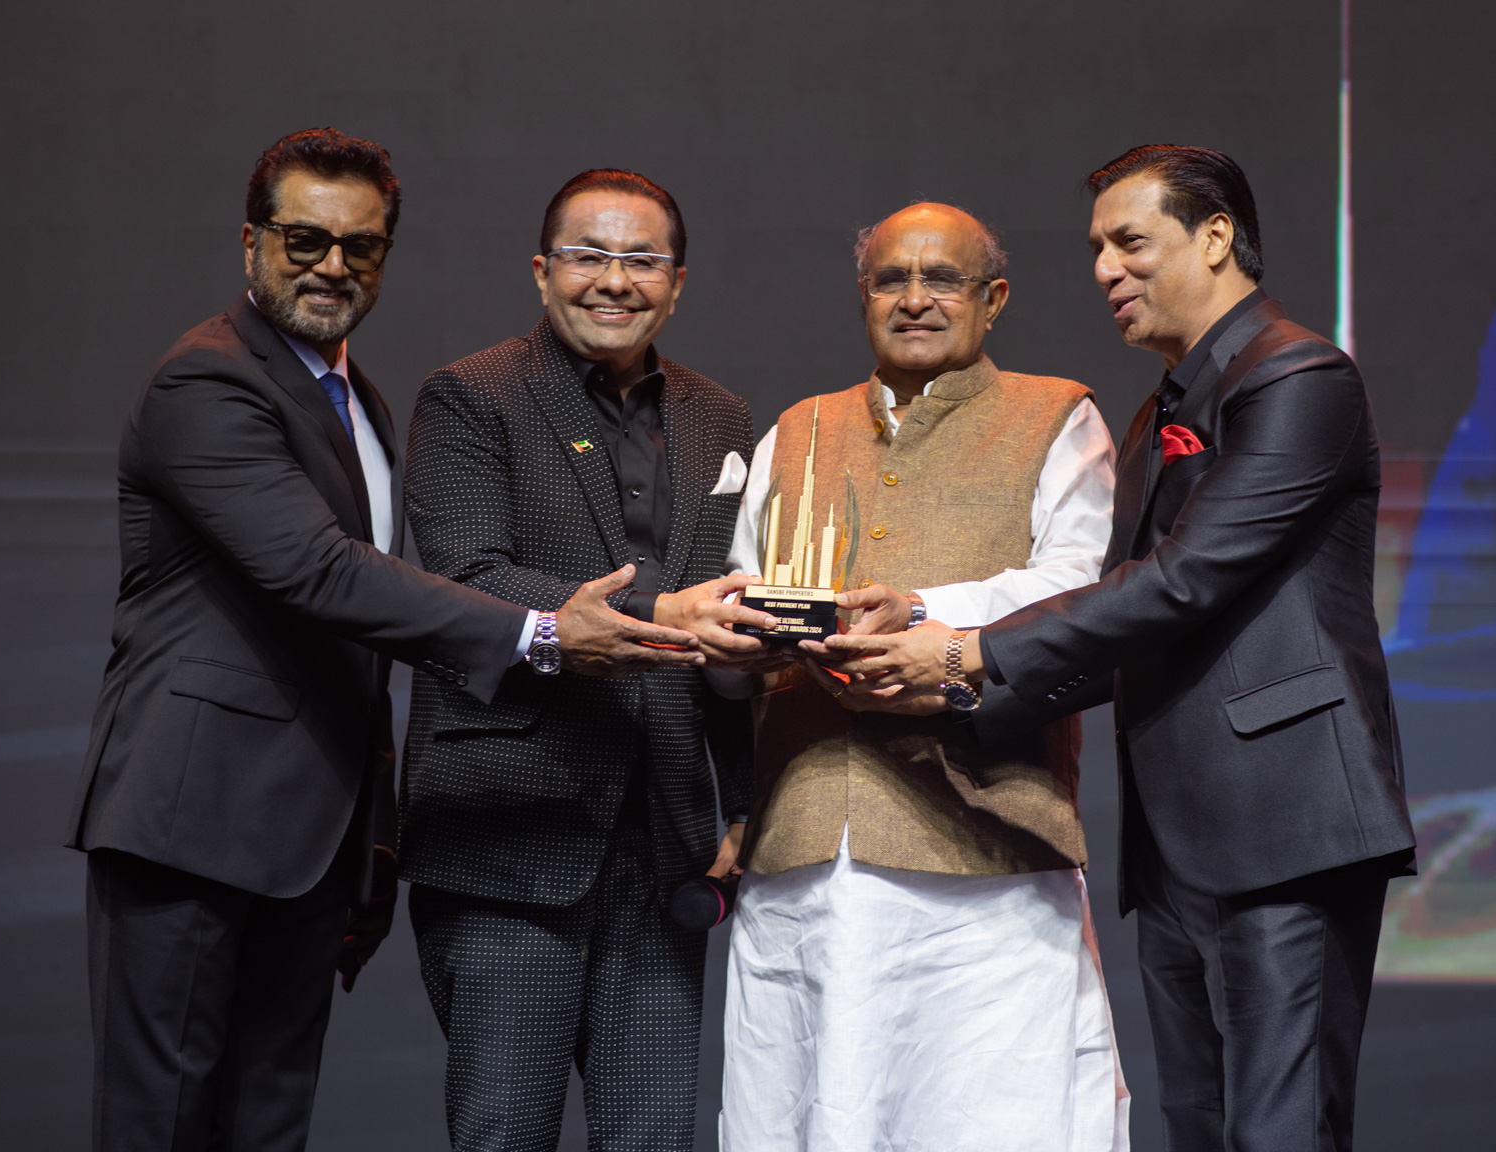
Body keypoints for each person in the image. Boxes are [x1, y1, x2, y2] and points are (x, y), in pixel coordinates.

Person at [66, 131, 702, 1152]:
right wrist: (541, 631)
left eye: (360, 246)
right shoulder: (207, 381)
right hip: (192, 817)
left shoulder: (352, 395)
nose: (333, 265)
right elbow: (319, 574)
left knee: (268, 1123)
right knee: (164, 1122)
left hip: (309, 838)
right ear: (250, 243)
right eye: (305, 240)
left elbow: (353, 650)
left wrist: (373, 835)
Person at [817, 147, 1417, 1151]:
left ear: (1215, 237)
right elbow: (1126, 624)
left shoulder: (1299, 376)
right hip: (1179, 837)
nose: (1104, 270)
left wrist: (965, 655)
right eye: (1096, 248)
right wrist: (939, 681)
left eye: (1129, 242)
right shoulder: (1161, 406)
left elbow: (1182, 582)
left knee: (1279, 1131)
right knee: (1198, 1126)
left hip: (1286, 825)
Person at [720, 202, 1127, 1152]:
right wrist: (747, 643)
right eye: (890, 280)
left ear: (994, 299)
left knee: (995, 1119)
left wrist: (920, 613)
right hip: (806, 853)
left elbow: (1079, 590)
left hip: (988, 852)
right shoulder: (799, 430)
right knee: (804, 1111)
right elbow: (747, 592)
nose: (914, 299)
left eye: (941, 278)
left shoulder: (1056, 416)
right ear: (863, 297)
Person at [399, 169, 769, 1152]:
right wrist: (659, 612)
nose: (614, 280)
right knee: (504, 1135)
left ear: (677, 282)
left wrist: (743, 799)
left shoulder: (722, 418)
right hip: (511, 833)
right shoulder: (470, 396)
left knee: (653, 1138)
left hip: (666, 840)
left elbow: (726, 619)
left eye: (641, 260)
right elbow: (466, 577)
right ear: (541, 271)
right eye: (587, 255)